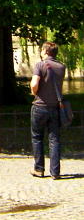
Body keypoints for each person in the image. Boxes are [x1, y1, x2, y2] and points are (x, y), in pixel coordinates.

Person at [30, 41, 65, 179]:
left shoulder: (40, 65)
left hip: (39, 106)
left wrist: (34, 92)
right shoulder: (62, 67)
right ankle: (55, 172)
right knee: (54, 139)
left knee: (37, 137)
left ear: (45, 51)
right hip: (55, 107)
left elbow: (34, 84)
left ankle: (39, 169)